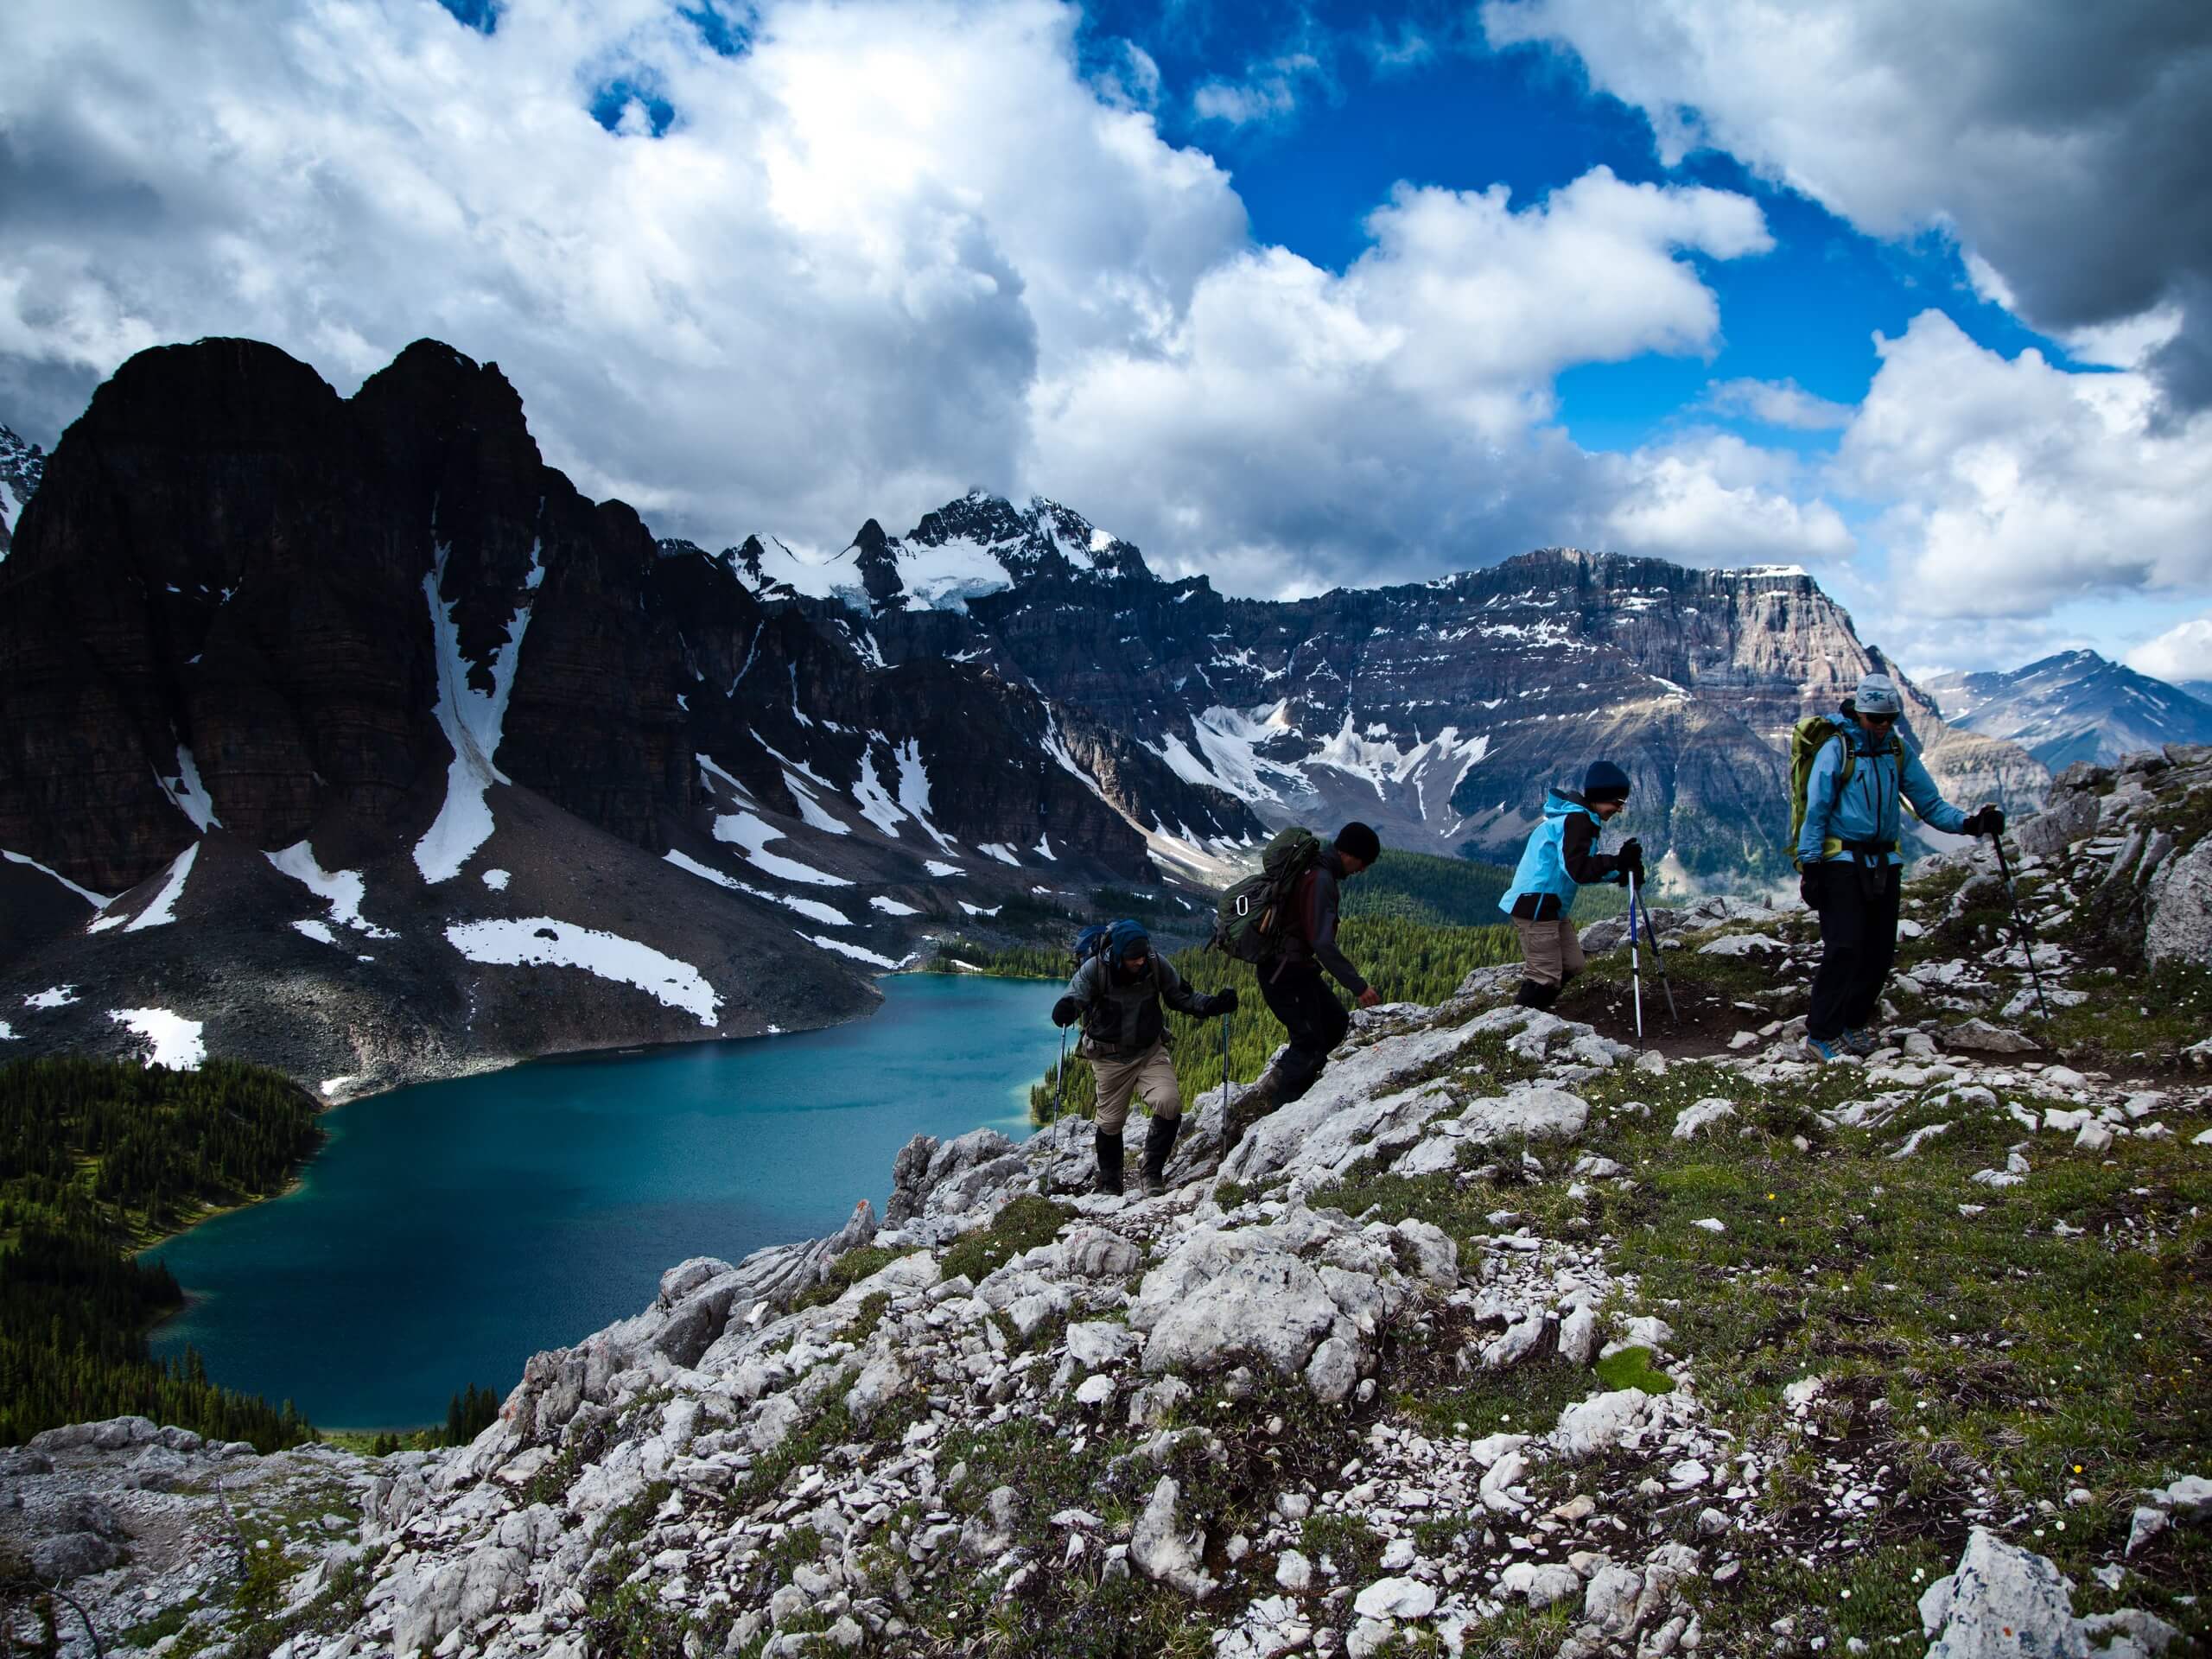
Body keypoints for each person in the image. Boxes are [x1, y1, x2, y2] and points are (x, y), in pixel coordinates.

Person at [1796, 672, 2002, 1061]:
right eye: (1877, 719)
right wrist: (1811, 867)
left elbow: (1930, 804)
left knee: (1879, 950)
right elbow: (1816, 811)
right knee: (1844, 946)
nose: (1884, 725)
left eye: (1890, 718)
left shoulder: (1896, 750)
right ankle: (1820, 1035)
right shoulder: (1836, 751)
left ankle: (1852, 1024)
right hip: (1840, 861)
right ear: (1859, 714)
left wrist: (1971, 824)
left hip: (1885, 863)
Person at [1052, 918, 1236, 1196]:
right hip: (1109, 1058)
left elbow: (1181, 996)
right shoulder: (1096, 969)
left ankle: (1151, 1173)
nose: (1139, 962)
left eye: (1141, 956)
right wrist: (1066, 1009)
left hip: (1150, 1051)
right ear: (1117, 955)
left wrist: (1212, 1004)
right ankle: (1111, 1183)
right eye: (1132, 958)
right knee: (1111, 1123)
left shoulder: (1154, 963)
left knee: (1169, 1103)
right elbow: (1075, 996)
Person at [1230, 822, 1382, 1140]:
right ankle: (1278, 1122)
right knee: (1309, 1042)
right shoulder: (1321, 879)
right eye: (1363, 862)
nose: (1363, 870)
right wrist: (1359, 986)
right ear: (1348, 854)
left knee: (1336, 1022)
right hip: (1286, 972)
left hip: (1293, 969)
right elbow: (1323, 943)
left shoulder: (1311, 869)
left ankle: (1288, 1077)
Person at [1497, 761, 1642, 1009]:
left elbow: (1578, 867)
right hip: (1536, 905)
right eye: (1617, 802)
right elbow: (1578, 871)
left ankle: (1540, 1011)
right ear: (1601, 796)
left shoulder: (1580, 819)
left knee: (1573, 965)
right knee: (1543, 977)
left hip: (1549, 906)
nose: (1619, 809)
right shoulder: (1576, 821)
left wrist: (1620, 871)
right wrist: (1617, 861)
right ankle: (1520, 1026)